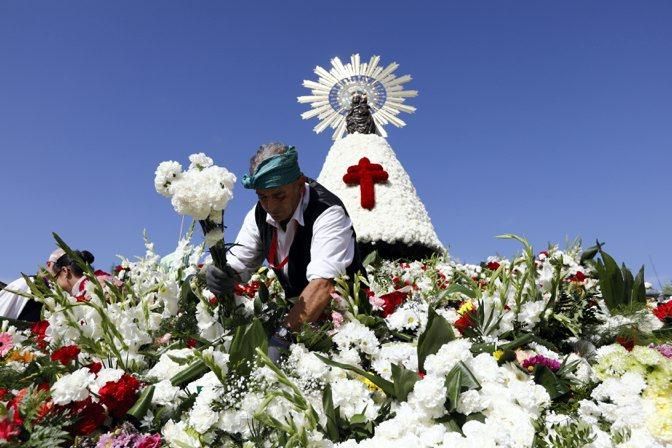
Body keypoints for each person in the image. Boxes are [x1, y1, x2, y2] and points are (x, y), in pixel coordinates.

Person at [205, 143, 364, 336]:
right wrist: (222, 272)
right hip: (300, 321)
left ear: (299, 183)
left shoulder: (327, 212)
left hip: (348, 323)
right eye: (262, 197)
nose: (271, 206)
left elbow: (323, 284)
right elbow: (240, 263)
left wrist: (282, 337)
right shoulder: (258, 214)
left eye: (279, 195)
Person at [0, 248, 65, 321]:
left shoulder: (65, 297)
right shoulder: (24, 285)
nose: (64, 272)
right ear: (48, 264)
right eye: (59, 265)